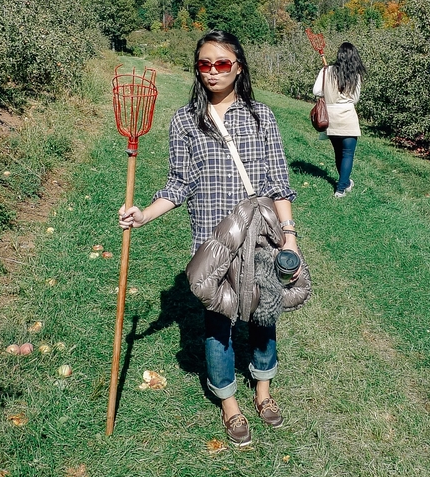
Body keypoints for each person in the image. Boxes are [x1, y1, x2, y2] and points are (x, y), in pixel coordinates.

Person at [118, 29, 299, 448]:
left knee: (263, 316)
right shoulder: (184, 121)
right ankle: (229, 405)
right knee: (218, 324)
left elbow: (278, 182)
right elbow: (179, 184)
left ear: (238, 66)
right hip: (212, 241)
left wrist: (288, 237)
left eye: (221, 64)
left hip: (260, 238)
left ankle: (264, 394)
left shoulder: (261, 116)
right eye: (204, 64)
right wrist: (143, 214)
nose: (212, 72)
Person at [313, 41, 366, 197]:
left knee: (338, 152)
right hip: (348, 116)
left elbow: (316, 90)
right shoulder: (355, 75)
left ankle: (345, 183)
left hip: (331, 117)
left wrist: (329, 92)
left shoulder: (327, 71)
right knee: (348, 154)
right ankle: (341, 188)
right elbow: (355, 99)